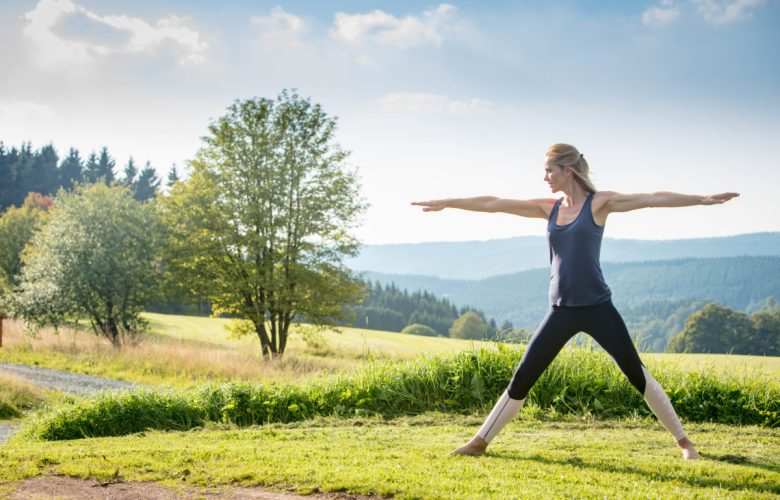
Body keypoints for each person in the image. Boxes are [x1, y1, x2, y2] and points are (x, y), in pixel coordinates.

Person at [411, 143, 739, 460]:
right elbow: (494, 202)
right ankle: (479, 442)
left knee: (636, 374)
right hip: (560, 310)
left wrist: (702, 199)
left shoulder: (599, 203)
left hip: (597, 307)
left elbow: (650, 199)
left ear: (566, 170)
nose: (544, 177)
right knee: (523, 376)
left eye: (548, 170)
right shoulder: (548, 207)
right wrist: (448, 202)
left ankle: (684, 443)